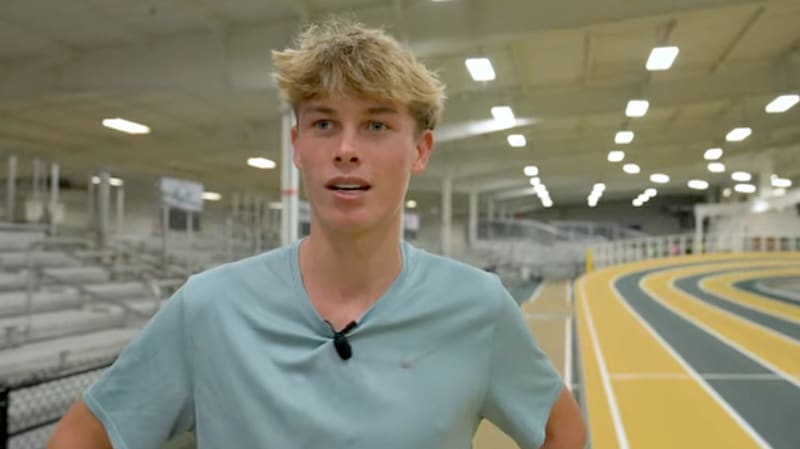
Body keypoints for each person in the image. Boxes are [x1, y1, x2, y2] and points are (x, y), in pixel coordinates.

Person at [48, 17, 585, 449]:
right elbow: (85, 435)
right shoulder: (209, 308)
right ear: (297, 146)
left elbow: (563, 429)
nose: (346, 148)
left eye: (376, 125)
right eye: (325, 124)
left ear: (419, 151)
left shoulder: (477, 307)